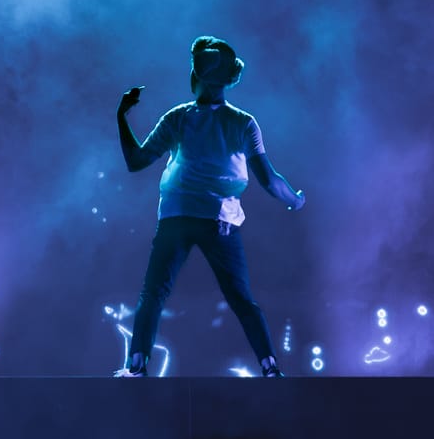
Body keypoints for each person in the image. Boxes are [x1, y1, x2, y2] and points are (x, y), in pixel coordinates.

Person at [113, 36, 303, 377]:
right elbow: (270, 181)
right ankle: (270, 367)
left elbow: (136, 160)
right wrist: (296, 201)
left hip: (176, 218)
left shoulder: (179, 118)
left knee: (154, 293)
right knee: (241, 299)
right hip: (220, 221)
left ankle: (137, 364)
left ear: (196, 76)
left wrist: (121, 116)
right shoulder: (243, 122)